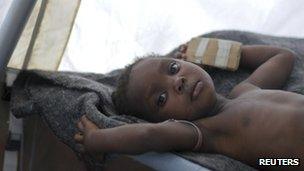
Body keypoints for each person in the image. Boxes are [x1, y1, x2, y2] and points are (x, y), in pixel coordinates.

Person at [74, 43, 304, 170]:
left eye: (173, 68)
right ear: (165, 120)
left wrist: (220, 55)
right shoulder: (202, 132)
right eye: (161, 99)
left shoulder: (247, 90)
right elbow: (147, 134)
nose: (178, 82)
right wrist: (96, 140)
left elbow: (283, 56)